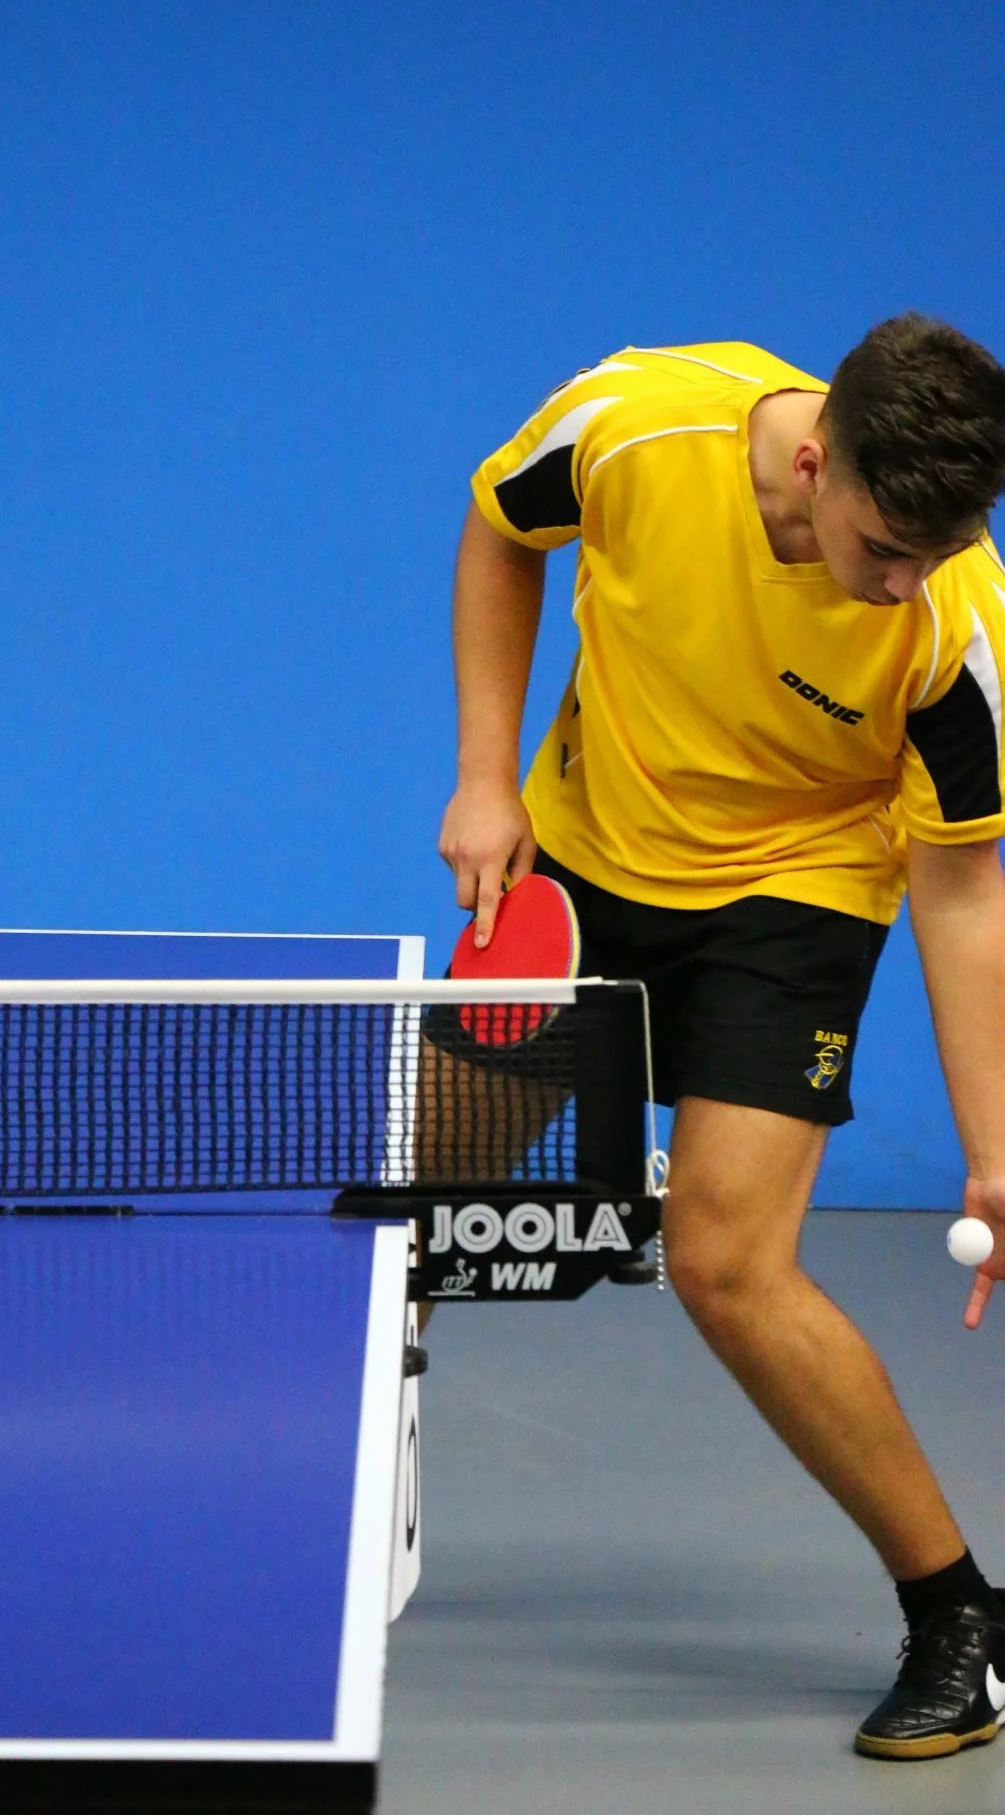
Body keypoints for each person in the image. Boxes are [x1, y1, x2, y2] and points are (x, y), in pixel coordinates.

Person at [439, 316, 1005, 1761]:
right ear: (815, 462)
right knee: (415, 1209)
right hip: (586, 857)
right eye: (886, 547)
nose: (905, 583)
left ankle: (959, 1614)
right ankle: (285, 1505)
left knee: (724, 1262)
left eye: (940, 552)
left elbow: (959, 887)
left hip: (792, 899)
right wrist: (485, 778)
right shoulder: (637, 425)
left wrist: (995, 1153)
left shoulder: (956, 620)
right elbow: (502, 530)